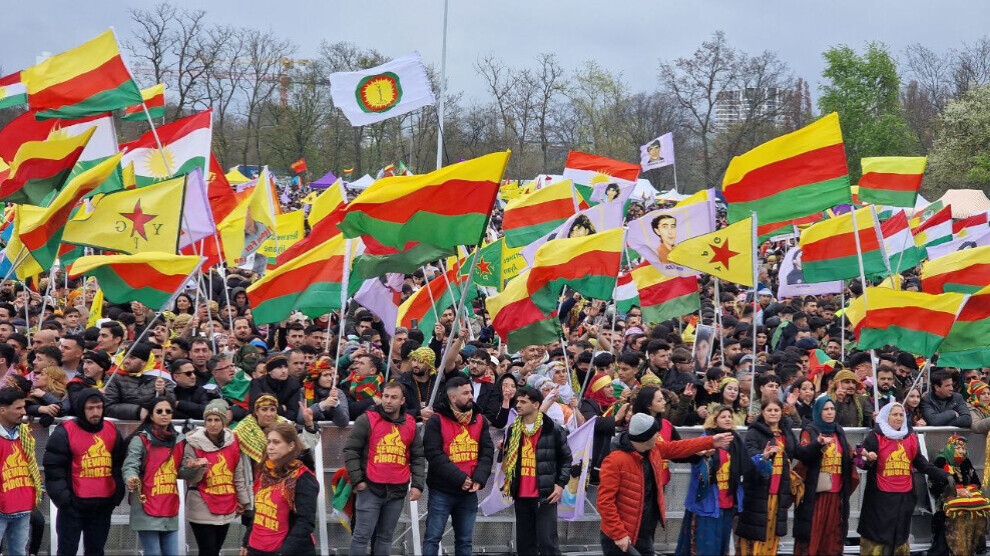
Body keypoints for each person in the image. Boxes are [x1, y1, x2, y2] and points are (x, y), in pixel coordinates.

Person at [598, 412, 730, 555]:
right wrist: (619, 534)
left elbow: (678, 447)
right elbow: (605, 502)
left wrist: (710, 441)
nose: (658, 435)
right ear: (644, 437)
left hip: (645, 532)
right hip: (621, 537)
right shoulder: (614, 461)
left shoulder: (653, 449)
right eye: (655, 433)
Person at [343, 382, 425, 556]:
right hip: (370, 488)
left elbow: (418, 456)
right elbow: (351, 450)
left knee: (386, 538)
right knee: (361, 536)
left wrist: (417, 485)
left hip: (397, 490)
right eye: (385, 396)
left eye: (393, 397)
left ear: (402, 400)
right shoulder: (367, 419)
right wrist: (358, 480)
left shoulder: (410, 423)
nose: (388, 401)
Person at [857, 402, 949, 555]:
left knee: (899, 536)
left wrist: (945, 475)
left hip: (904, 498)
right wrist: (867, 458)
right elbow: (860, 463)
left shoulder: (910, 437)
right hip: (880, 499)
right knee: (878, 537)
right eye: (895, 414)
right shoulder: (874, 436)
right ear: (886, 417)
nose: (899, 418)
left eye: (901, 414)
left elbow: (923, 465)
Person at [43, 388, 126, 556]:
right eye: (90, 408)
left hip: (103, 505)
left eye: (99, 407)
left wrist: (115, 495)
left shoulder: (111, 429)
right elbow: (54, 469)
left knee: (96, 551)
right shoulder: (65, 431)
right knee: (67, 550)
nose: (96, 412)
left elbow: (118, 466)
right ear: (82, 408)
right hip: (73, 505)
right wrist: (65, 500)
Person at [422, 376, 495, 556]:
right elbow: (434, 454)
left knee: (465, 541)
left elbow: (487, 451)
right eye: (465, 393)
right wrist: (459, 478)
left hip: (469, 492)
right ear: (452, 398)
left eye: (471, 392)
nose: (471, 396)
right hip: (442, 491)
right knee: (433, 537)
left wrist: (479, 478)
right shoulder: (437, 420)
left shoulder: (479, 419)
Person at [500, 386, 571, 556]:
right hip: (521, 494)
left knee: (548, 544)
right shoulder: (513, 429)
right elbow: (506, 463)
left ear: (536, 404)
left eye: (523, 402)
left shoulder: (552, 428)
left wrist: (560, 484)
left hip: (545, 494)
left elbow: (566, 459)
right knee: (525, 545)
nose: (518, 405)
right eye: (517, 401)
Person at [675, 406, 751, 556]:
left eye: (730, 416)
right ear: (714, 420)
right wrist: (702, 456)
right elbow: (696, 465)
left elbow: (747, 465)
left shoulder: (735, 441)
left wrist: (763, 459)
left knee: (722, 548)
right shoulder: (706, 439)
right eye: (723, 417)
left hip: (728, 503)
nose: (728, 419)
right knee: (705, 548)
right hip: (707, 503)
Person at [122, 397, 190, 556]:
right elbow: (130, 465)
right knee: (153, 552)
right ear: (151, 415)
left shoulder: (180, 441)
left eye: (168, 411)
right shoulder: (140, 439)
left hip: (169, 506)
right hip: (146, 505)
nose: (164, 414)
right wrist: (131, 478)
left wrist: (194, 467)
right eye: (159, 411)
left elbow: (183, 473)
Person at [182, 399, 251, 556]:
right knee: (208, 551)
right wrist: (197, 467)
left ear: (224, 421)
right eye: (209, 420)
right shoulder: (192, 443)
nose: (213, 424)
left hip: (226, 501)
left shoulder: (232, 441)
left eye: (217, 420)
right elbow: (190, 478)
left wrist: (243, 501)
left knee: (217, 549)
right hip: (201, 502)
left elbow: (238, 474)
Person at [792, 396, 857, 556]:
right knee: (812, 536)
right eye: (825, 409)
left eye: (832, 409)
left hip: (836, 494)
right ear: (818, 411)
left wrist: (859, 456)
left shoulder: (838, 430)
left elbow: (847, 455)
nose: (830, 412)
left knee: (831, 537)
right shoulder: (810, 430)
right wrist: (818, 443)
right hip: (815, 495)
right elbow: (803, 455)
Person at [242, 422, 319, 556]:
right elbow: (258, 512)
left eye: (276, 442)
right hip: (257, 547)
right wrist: (246, 542)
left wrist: (284, 552)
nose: (270, 447)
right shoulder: (265, 471)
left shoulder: (303, 478)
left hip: (286, 549)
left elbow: (305, 522)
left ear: (291, 446)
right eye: (269, 442)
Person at [737, 398, 796, 555]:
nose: (773, 413)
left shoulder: (786, 433)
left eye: (776, 410)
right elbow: (749, 459)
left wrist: (817, 445)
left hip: (779, 491)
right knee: (755, 535)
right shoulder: (753, 433)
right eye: (769, 410)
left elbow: (798, 453)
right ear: (762, 413)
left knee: (772, 535)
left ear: (781, 413)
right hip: (759, 492)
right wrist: (763, 457)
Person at [928, 434, 987, 556]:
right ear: (950, 447)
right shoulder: (941, 461)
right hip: (946, 501)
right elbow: (933, 486)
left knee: (979, 514)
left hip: (967, 499)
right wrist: (955, 491)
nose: (962, 451)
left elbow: (976, 482)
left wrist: (968, 490)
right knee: (958, 517)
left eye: (964, 448)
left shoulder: (966, 462)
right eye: (958, 448)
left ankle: (974, 549)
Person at [0, 387, 42, 556]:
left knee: (18, 552)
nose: (24, 412)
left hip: (22, 505)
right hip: (1, 507)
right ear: (2, 410)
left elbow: (31, 466)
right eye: (18, 408)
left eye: (24, 407)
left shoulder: (25, 433)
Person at [104, 343, 176, 420]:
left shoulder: (160, 376)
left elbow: (172, 402)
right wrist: (138, 411)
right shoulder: (114, 376)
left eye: (132, 358)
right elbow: (109, 407)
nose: (126, 361)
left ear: (144, 362)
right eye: (125, 356)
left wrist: (163, 392)